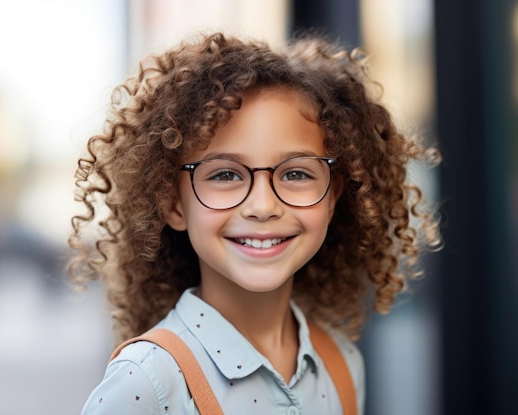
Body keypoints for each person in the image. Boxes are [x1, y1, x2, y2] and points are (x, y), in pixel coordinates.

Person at [69, 32, 442, 414]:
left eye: (296, 174)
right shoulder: (146, 383)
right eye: (225, 175)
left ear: (332, 197)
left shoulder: (342, 364)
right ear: (173, 204)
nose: (262, 206)